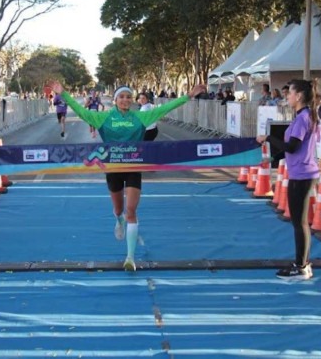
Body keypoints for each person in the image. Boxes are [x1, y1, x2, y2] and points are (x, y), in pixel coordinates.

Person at [50, 80, 207, 272]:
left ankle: (130, 258)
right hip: (113, 169)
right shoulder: (104, 118)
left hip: (133, 168)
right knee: (119, 210)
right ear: (115, 100)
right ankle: (118, 220)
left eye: (128, 97)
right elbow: (81, 112)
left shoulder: (141, 117)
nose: (125, 100)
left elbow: (167, 108)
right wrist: (64, 94)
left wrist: (189, 95)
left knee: (131, 211)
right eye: (121, 97)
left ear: (132, 100)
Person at [256, 79, 319, 281]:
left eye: (290, 93)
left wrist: (267, 138)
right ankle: (302, 264)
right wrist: (272, 158)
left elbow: (291, 146)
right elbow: (292, 149)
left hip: (302, 174)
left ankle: (301, 266)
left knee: (299, 222)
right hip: (301, 172)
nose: (287, 97)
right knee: (300, 222)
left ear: (299, 95)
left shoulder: (303, 118)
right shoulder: (304, 116)